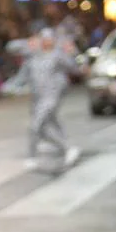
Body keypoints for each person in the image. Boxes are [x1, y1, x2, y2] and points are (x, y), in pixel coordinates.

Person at [21, 30, 80, 171]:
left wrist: (72, 52)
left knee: (36, 126)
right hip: (38, 99)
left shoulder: (58, 55)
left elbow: (73, 67)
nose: (47, 41)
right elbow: (24, 74)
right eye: (44, 39)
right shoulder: (35, 56)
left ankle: (32, 157)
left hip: (51, 97)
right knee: (47, 126)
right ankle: (67, 148)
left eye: (49, 39)